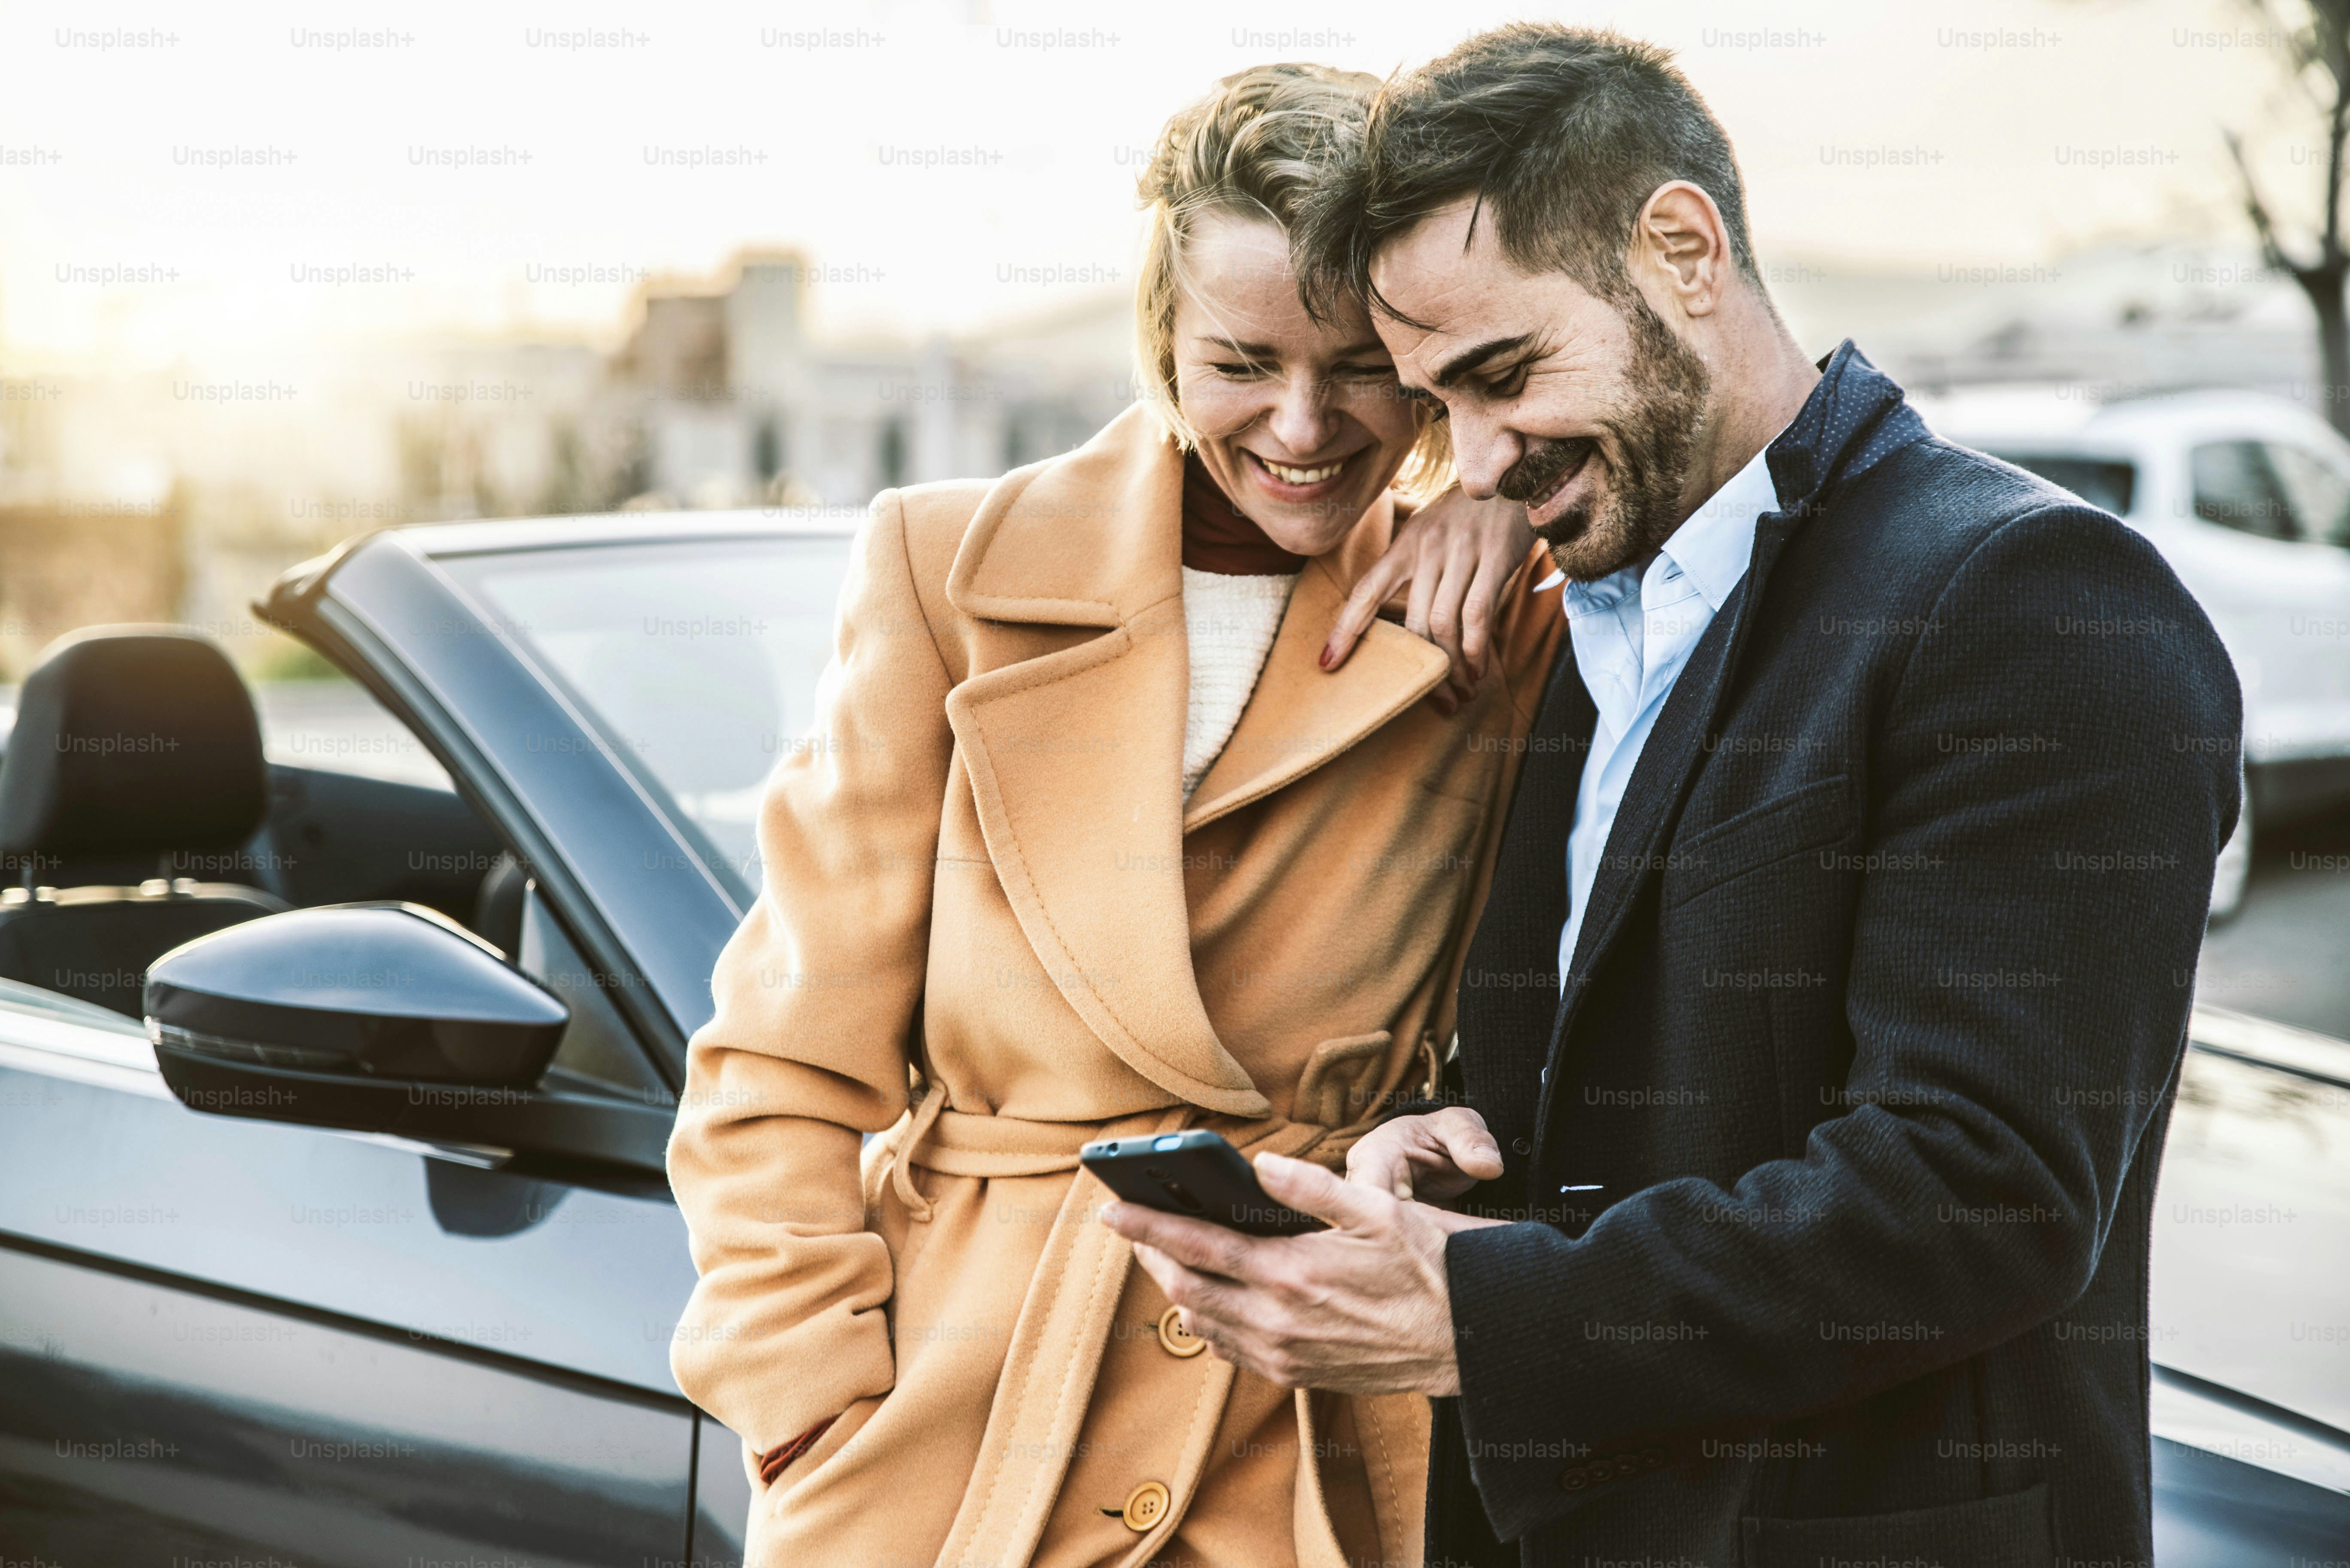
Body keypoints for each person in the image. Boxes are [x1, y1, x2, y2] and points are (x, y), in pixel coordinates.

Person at [1105, 24, 2242, 1568]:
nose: (1482, 462)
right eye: (1440, 408)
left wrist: (1470, 1310)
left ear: (1683, 248)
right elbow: (1689, 1077)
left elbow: (1981, 1192)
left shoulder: (2026, 595)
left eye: (1506, 376)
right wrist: (1470, 1147)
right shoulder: (1599, 597)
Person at [666, 63, 1564, 1568]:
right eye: (1240, 360)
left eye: (1363, 368)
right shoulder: (942, 568)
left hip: (1295, 1404)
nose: (1303, 423)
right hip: (952, 1422)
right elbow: (780, 1056)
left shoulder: (1496, 611)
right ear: (1161, 339)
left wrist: (1503, 483)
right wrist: (803, 1403)